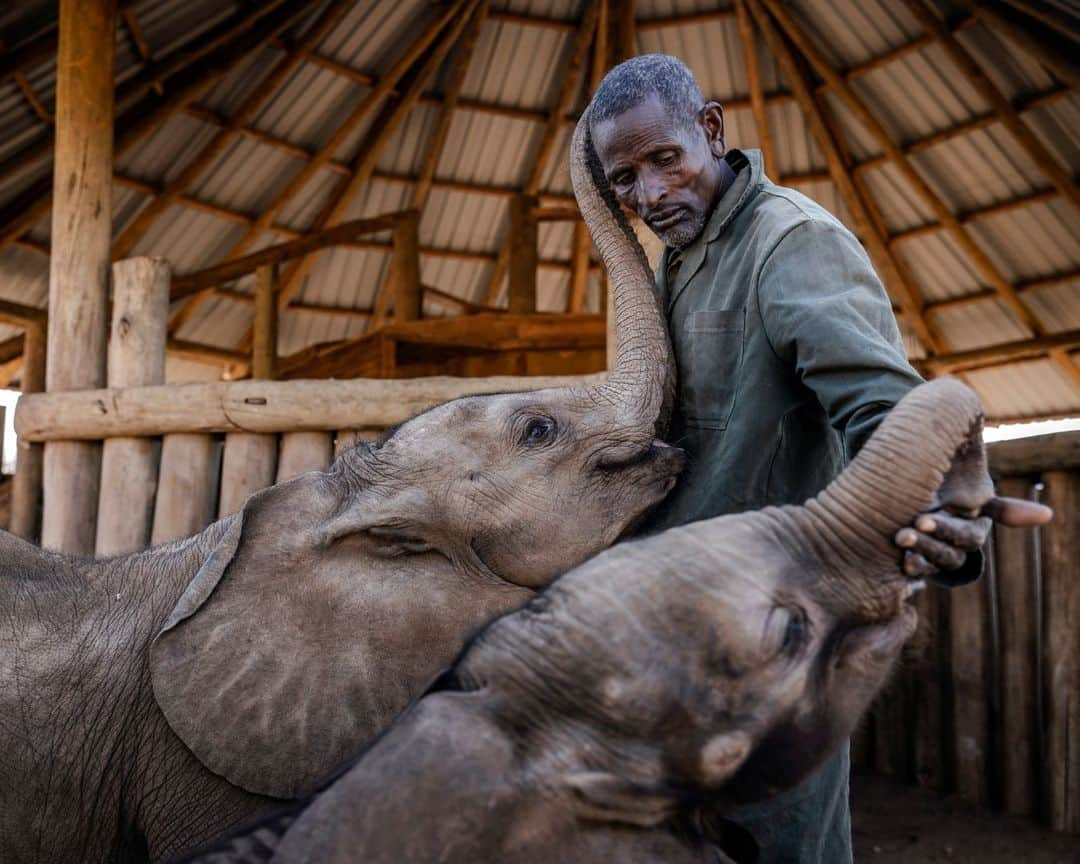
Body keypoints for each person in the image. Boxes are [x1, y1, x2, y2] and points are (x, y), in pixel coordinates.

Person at [587, 54, 1051, 864]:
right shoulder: (679, 253)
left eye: (664, 159)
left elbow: (884, 413)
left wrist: (936, 508)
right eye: (623, 177)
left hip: (776, 642)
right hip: (681, 623)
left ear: (711, 129)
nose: (650, 194)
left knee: (776, 842)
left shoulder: (792, 243)